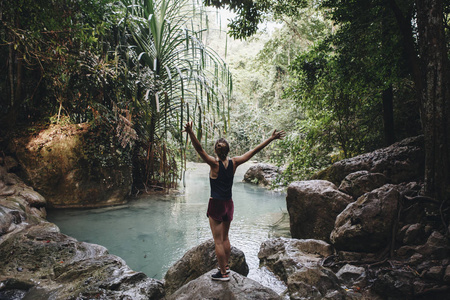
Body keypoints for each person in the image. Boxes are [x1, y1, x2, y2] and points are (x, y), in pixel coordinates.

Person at [184, 121, 285, 281]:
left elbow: (199, 150)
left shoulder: (214, 164)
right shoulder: (235, 162)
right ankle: (226, 267)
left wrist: (190, 132)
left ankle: (223, 273)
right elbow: (254, 151)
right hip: (228, 204)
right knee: (225, 238)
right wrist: (271, 139)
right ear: (228, 150)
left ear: (216, 151)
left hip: (216, 204)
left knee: (218, 241)